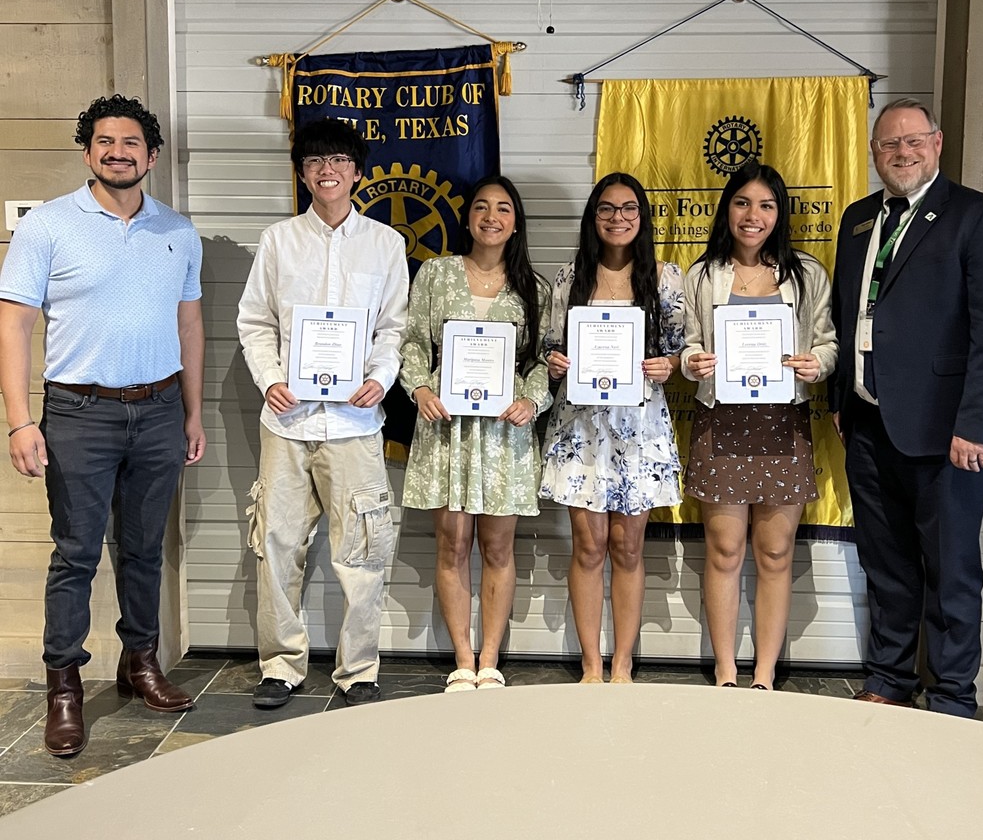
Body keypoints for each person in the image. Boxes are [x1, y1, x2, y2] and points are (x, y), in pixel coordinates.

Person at [0, 95, 206, 757]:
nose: (119, 152)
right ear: (88, 150)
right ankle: (65, 685)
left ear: (151, 154)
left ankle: (140, 662)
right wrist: (19, 421)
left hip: (158, 412)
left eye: (132, 143)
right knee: (77, 554)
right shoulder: (48, 226)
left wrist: (193, 412)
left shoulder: (177, 230)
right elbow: (14, 325)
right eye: (106, 142)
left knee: (144, 550)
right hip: (77, 414)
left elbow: (189, 325)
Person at [831, 98, 983, 717]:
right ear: (874, 154)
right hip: (866, 422)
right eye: (889, 145)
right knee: (885, 563)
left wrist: (977, 423)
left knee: (951, 570)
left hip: (946, 432)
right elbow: (847, 314)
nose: (902, 153)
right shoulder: (861, 219)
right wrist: (841, 401)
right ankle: (888, 677)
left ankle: (950, 697)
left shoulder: (980, 217)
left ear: (937, 144)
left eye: (913, 141)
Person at [237, 118, 408, 710]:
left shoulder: (385, 245)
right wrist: (271, 379)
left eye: (338, 160)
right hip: (287, 422)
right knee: (277, 543)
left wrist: (380, 378)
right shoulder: (279, 240)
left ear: (358, 171)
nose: (326, 171)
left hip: (355, 425)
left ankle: (358, 670)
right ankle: (280, 665)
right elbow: (255, 321)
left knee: (362, 549)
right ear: (303, 173)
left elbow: (394, 328)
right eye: (314, 162)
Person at [681, 160, 838, 689]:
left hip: (782, 422)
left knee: (775, 552)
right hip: (720, 420)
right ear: (728, 209)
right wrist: (692, 362)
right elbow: (686, 344)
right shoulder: (702, 274)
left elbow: (828, 342)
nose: (754, 216)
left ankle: (766, 674)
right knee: (725, 549)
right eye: (743, 203)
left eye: (766, 205)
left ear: (780, 213)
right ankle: (726, 670)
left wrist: (818, 363)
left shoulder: (807, 273)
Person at [400, 176, 552, 691]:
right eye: (482, 207)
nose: (492, 216)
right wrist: (418, 388)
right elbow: (414, 342)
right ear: (467, 218)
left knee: (498, 545)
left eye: (504, 208)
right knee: (452, 542)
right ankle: (462, 660)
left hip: (504, 435)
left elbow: (541, 363)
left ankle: (490, 660)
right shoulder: (436, 274)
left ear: (516, 221)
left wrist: (532, 399)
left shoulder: (536, 287)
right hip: (447, 426)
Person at [541, 172, 685, 684]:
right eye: (606, 209)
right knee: (587, 545)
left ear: (641, 217)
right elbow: (545, 347)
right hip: (581, 427)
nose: (617, 218)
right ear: (592, 217)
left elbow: (679, 348)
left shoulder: (665, 278)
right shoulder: (568, 278)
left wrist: (668, 365)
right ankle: (591, 665)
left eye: (628, 209)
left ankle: (623, 664)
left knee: (628, 546)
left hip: (639, 428)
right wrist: (555, 364)